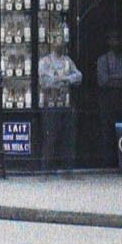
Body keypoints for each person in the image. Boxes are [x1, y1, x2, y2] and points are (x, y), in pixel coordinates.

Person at [37, 45, 82, 173]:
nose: (59, 44)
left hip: (66, 104)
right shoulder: (45, 61)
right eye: (56, 40)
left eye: (61, 40)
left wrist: (64, 79)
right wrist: (63, 80)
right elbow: (44, 81)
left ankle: (67, 168)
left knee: (67, 137)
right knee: (50, 137)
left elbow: (79, 76)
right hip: (50, 104)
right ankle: (46, 168)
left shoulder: (67, 61)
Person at [95, 45, 122, 163]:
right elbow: (103, 80)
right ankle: (107, 161)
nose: (116, 43)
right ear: (108, 42)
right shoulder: (102, 60)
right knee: (107, 129)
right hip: (107, 98)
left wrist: (114, 77)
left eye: (118, 39)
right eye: (113, 39)